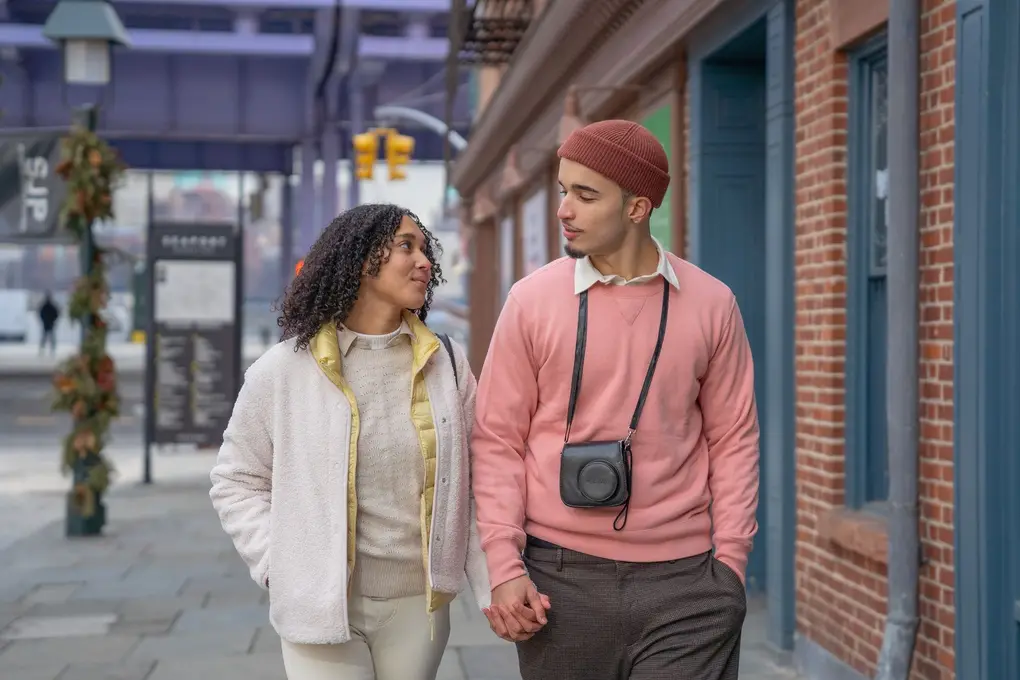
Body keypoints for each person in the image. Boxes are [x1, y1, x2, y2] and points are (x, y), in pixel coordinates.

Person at [470, 120, 760, 680]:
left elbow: (734, 440)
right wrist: (504, 567)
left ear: (637, 207)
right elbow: (498, 440)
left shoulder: (712, 303)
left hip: (688, 586)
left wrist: (730, 569)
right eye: (563, 191)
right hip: (558, 580)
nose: (564, 209)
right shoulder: (530, 301)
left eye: (586, 194)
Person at [210, 203, 490, 680]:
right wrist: (280, 564)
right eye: (407, 246)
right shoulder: (283, 370)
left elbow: (478, 482)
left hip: (417, 609)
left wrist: (493, 582)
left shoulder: (447, 363)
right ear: (361, 260)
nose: (424, 260)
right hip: (319, 606)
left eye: (425, 249)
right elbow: (236, 480)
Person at [38, 291, 59, 356]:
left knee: (46, 337)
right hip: (49, 323)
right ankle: (49, 349)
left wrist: (44, 320)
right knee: (49, 337)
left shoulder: (45, 306)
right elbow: (56, 314)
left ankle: (44, 349)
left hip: (47, 323)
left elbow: (41, 314)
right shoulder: (50, 306)